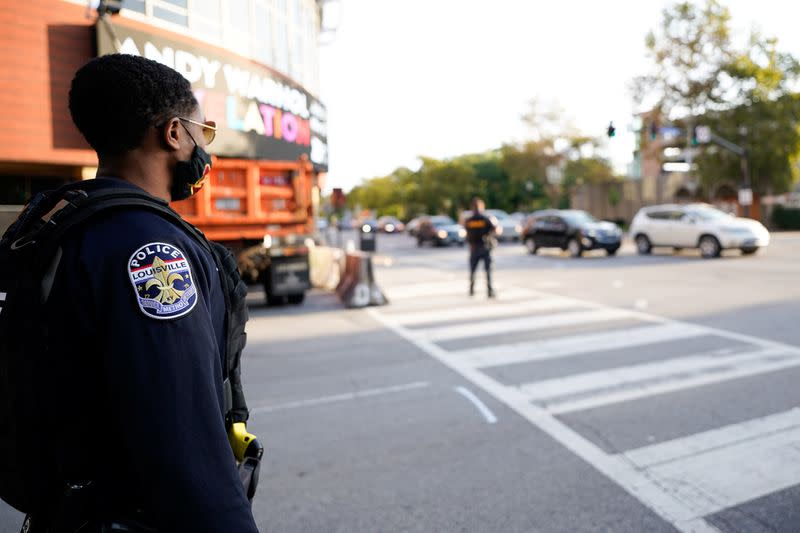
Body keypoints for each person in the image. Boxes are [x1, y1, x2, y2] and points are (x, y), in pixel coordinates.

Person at [20, 54, 260, 532]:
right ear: (173, 133)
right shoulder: (150, 249)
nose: (203, 148)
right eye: (201, 132)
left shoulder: (68, 225)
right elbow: (182, 434)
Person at [464, 197, 496, 298]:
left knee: (473, 271)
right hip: (484, 247)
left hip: (474, 248)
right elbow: (494, 230)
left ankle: (471, 290)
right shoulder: (485, 219)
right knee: (488, 271)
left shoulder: (469, 220)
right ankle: (490, 291)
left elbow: (466, 233)